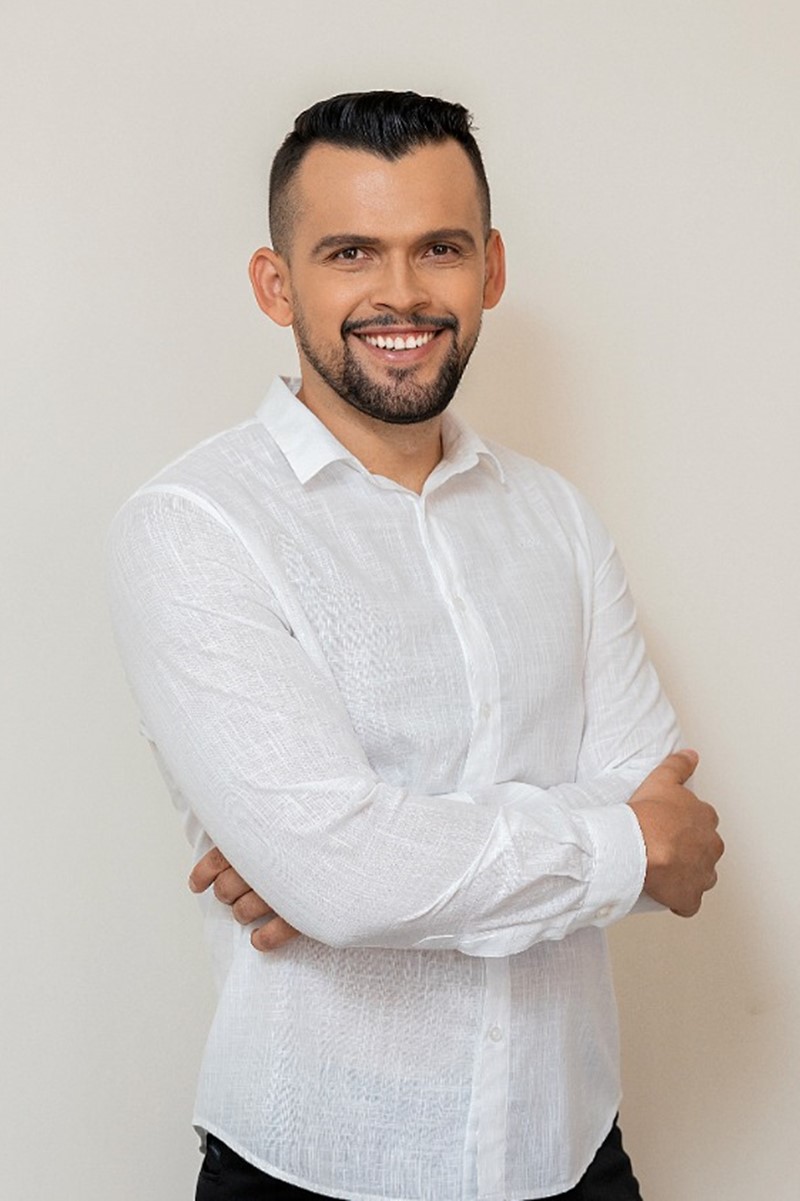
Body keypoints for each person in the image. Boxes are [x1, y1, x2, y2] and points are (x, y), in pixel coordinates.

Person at [107, 91, 723, 1201]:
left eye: (436, 248)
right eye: (350, 251)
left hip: (570, 1153)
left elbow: (662, 815)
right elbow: (638, 845)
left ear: (487, 269)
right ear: (275, 282)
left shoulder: (558, 519)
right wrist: (349, 869)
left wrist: (358, 867)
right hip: (316, 1163)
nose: (400, 293)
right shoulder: (194, 523)